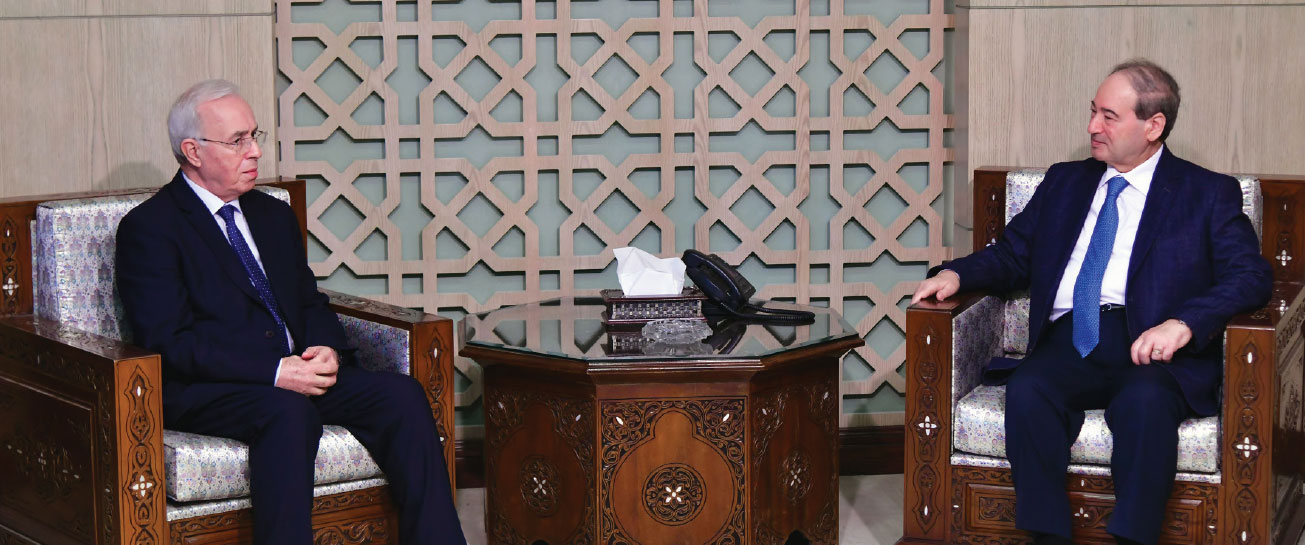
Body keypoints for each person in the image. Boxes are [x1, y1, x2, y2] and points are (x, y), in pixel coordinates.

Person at [911, 60, 1272, 545]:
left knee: (1145, 404)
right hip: (1073, 337)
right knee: (1029, 390)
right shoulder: (1066, 182)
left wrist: (1184, 323)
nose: (1092, 127)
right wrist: (955, 274)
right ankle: (1048, 535)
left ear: (1153, 125)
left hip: (1152, 347)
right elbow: (1014, 254)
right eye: (1092, 111)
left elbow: (1251, 276)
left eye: (1109, 116)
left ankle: (1133, 537)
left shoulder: (1205, 193)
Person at [116, 79, 467, 545]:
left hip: (297, 373)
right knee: (288, 413)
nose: (255, 151)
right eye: (237, 141)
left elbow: (308, 301)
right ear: (193, 151)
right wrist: (274, 372)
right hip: (212, 387)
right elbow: (170, 340)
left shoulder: (271, 214)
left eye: (254, 135)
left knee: (401, 396)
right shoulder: (150, 228)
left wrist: (326, 348)